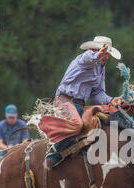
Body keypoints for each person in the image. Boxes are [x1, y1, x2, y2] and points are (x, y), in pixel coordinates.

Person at [41, 36, 124, 168]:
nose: (106, 57)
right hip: (65, 101)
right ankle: (52, 155)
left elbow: (97, 93)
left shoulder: (101, 69)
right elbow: (88, 58)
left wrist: (111, 100)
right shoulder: (85, 58)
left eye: (107, 54)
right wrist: (97, 55)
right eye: (105, 53)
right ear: (94, 49)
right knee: (77, 124)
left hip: (79, 105)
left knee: (109, 115)